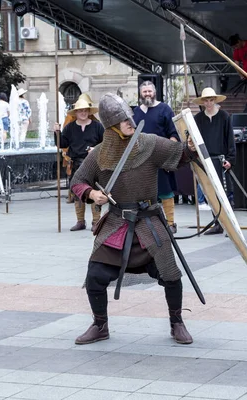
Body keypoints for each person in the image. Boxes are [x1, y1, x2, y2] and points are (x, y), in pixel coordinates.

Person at [70, 93, 198, 345]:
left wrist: (190, 149)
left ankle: (177, 323)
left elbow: (178, 155)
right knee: (94, 274)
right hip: (118, 223)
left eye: (129, 116)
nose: (129, 121)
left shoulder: (149, 144)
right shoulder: (99, 154)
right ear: (110, 126)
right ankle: (100, 325)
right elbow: (77, 182)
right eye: (122, 119)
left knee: (171, 275)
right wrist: (92, 193)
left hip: (149, 222)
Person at [133, 80, 180, 233]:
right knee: (144, 191)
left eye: (149, 91)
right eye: (144, 91)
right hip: (141, 158)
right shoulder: (136, 112)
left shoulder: (164, 109)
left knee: (165, 190)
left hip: (161, 156)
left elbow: (174, 134)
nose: (147, 94)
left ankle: (171, 223)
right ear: (140, 94)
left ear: (154, 92)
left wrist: (168, 154)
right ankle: (149, 223)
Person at [54, 97, 104, 231]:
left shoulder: (97, 126)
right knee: (77, 192)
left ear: (89, 112)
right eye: (80, 111)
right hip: (76, 163)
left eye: (85, 110)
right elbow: (62, 144)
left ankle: (96, 222)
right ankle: (80, 221)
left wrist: (96, 149)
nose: (82, 113)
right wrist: (57, 132)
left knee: (94, 191)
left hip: (93, 163)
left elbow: (106, 144)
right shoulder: (70, 127)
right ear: (75, 113)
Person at [193, 87, 236, 235]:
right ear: (203, 102)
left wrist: (230, 158)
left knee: (224, 193)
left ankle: (229, 224)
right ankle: (217, 223)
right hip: (205, 160)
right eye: (206, 100)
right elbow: (194, 140)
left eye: (211, 100)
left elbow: (230, 139)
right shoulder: (198, 119)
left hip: (221, 159)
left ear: (215, 101)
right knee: (210, 193)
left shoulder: (224, 116)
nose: (209, 103)